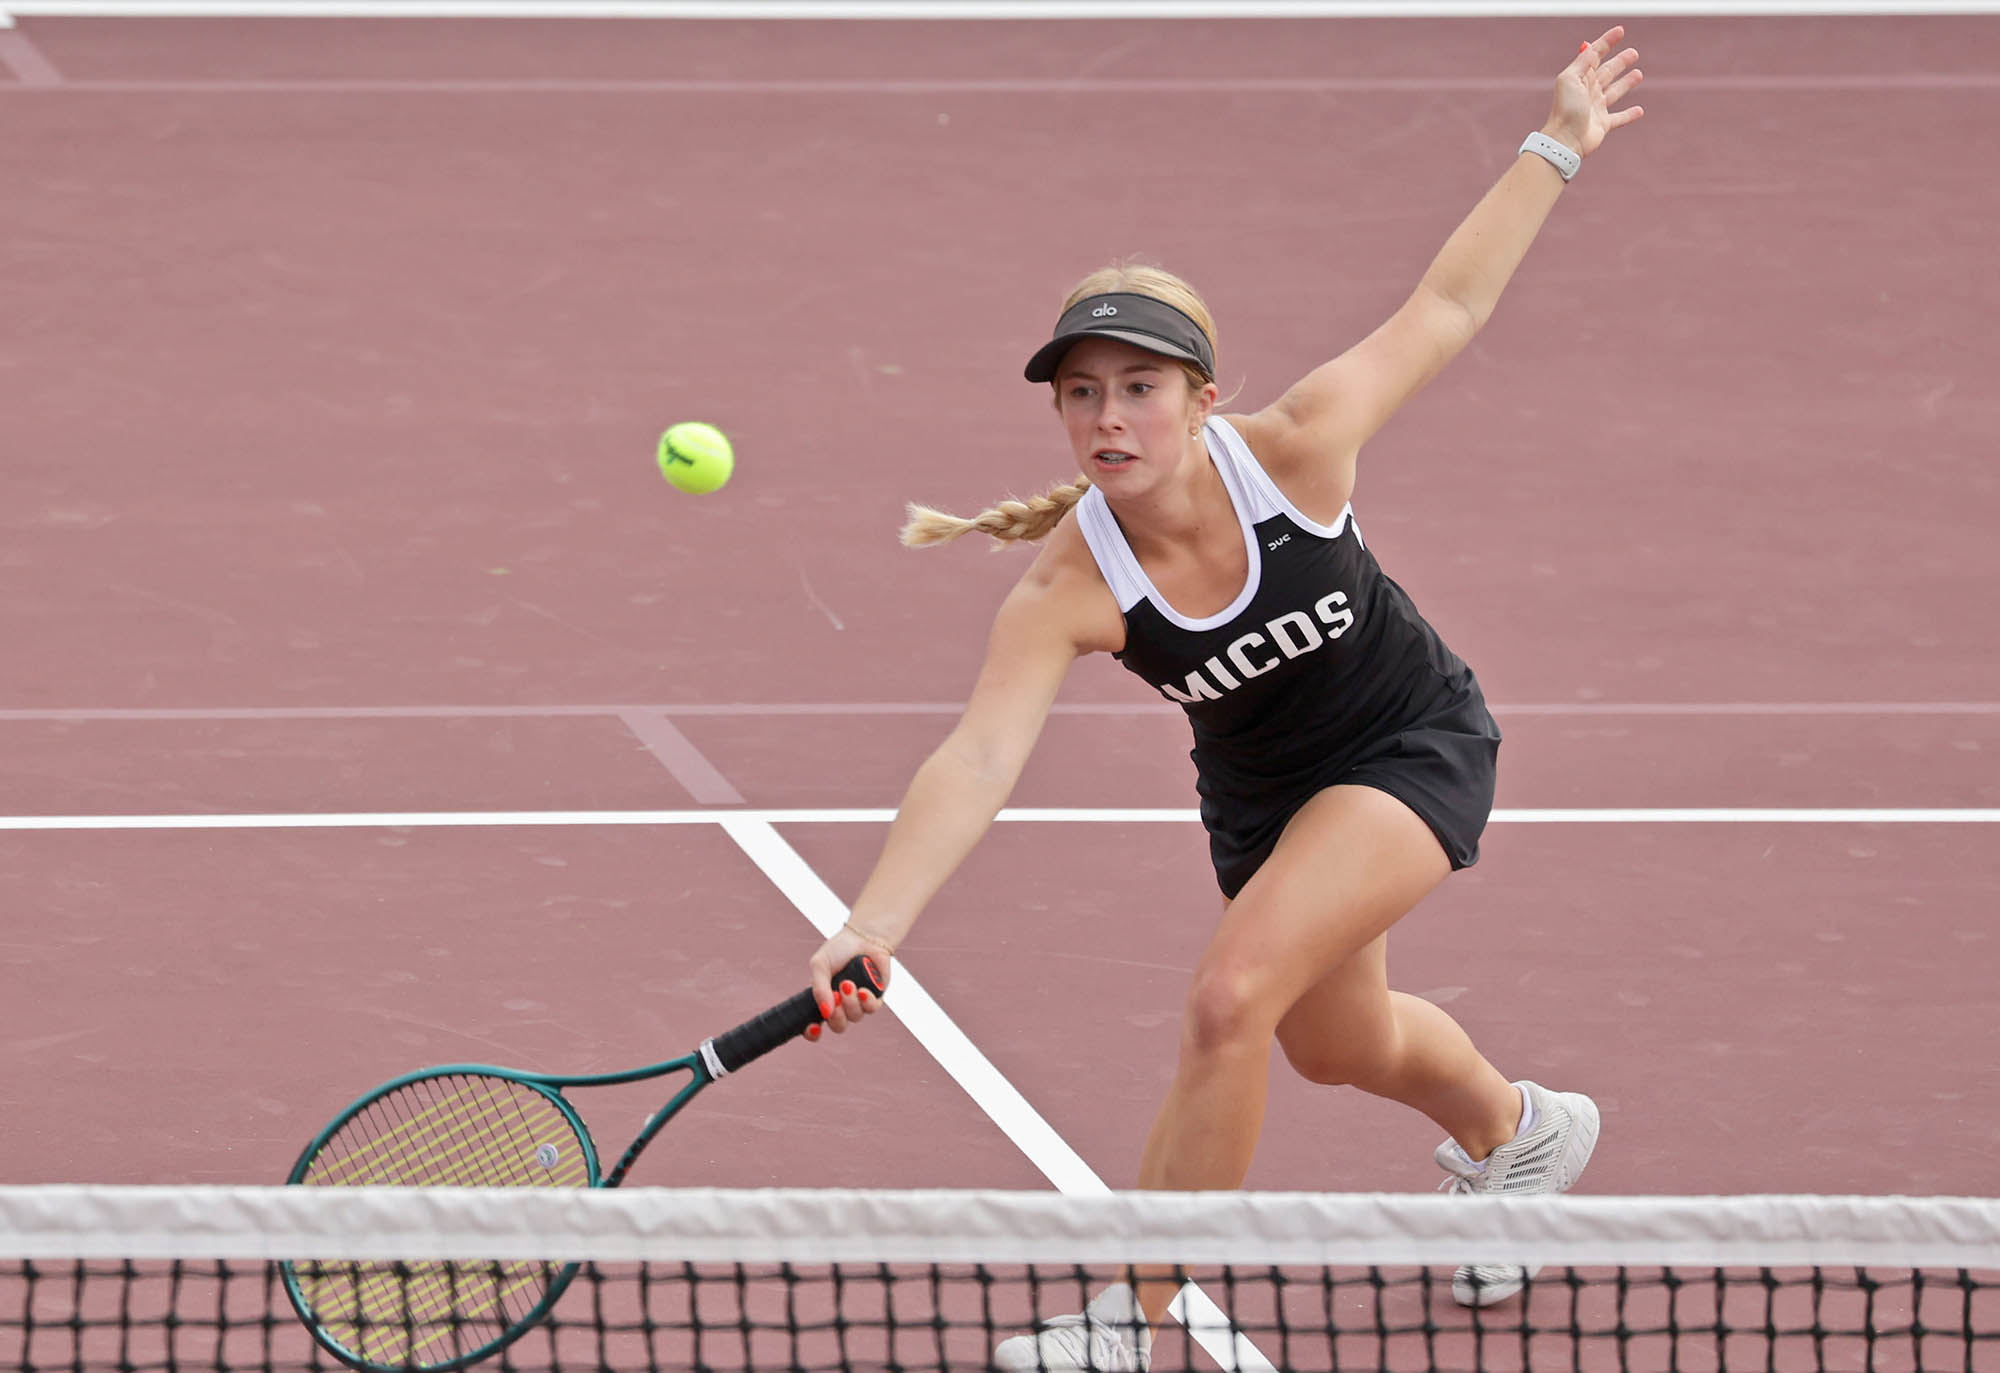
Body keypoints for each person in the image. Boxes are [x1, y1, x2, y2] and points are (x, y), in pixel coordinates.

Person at [806, 26, 1644, 1370]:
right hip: (1266, 804)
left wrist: (1556, 142)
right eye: (1082, 395)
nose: (1108, 418)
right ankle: (1521, 1132)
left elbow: (1446, 307)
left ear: (1200, 399)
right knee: (1337, 1043)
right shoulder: (1070, 584)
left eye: (1139, 388)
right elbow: (977, 760)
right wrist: (870, 922)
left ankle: (1130, 1321)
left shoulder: (1295, 451)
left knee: (1227, 1000)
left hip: (1409, 741)